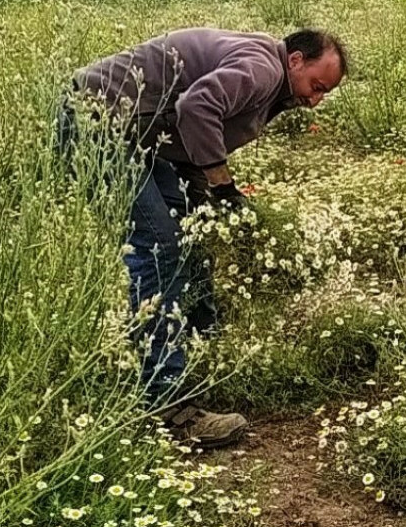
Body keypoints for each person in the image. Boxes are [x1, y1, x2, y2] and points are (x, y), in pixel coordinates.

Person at [63, 27, 347, 449]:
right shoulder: (263, 69)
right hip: (96, 122)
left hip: (134, 134)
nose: (315, 99)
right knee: (161, 246)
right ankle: (167, 405)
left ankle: (201, 341)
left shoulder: (265, 71)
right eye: (316, 86)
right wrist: (223, 186)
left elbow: (182, 130)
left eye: (325, 93)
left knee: (191, 229)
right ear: (295, 61)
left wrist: (203, 193)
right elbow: (197, 107)